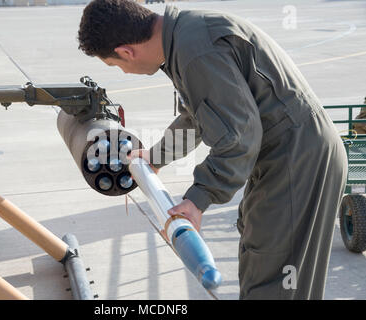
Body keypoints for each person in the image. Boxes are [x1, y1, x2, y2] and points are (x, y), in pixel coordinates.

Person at [77, 0, 348, 299]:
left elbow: (239, 135)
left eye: (117, 65)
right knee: (268, 256)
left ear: (126, 51)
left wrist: (198, 198)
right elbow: (198, 115)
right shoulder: (184, 35)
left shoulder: (195, 52)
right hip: (292, 154)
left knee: (275, 275)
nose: (126, 72)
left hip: (298, 160)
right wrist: (156, 157)